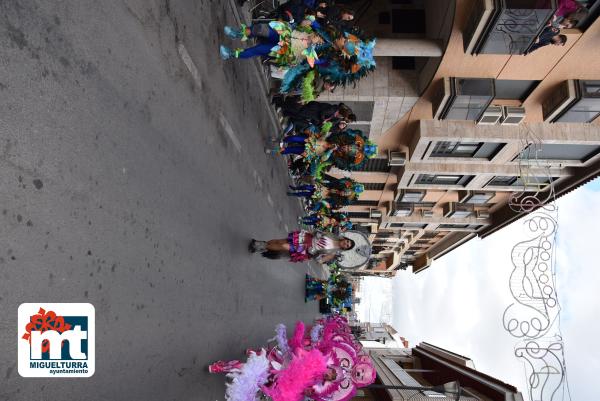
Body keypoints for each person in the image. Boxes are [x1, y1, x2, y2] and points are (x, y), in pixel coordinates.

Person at [250, 230, 355, 263]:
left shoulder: (333, 253)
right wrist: (316, 233)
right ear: (345, 239)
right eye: (347, 242)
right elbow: (318, 232)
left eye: (347, 246)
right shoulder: (332, 235)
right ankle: (261, 245)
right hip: (305, 238)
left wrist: (315, 254)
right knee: (279, 241)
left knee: (283, 246)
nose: (346, 244)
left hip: (305, 250)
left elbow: (320, 260)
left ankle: (261, 246)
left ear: (345, 248)